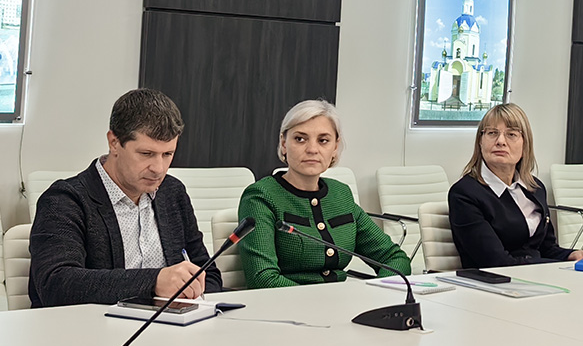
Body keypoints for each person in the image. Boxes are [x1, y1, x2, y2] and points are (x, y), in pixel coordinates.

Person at [29, 89, 221, 308]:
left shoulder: (172, 193)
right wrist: (154, 282)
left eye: (167, 154)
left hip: (170, 324)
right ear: (114, 142)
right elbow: (56, 285)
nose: (158, 168)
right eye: (146, 154)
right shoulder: (65, 200)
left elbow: (209, 275)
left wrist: (193, 294)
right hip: (91, 326)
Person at [237, 100, 410, 288]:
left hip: (344, 300)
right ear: (284, 143)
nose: (312, 149)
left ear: (335, 147)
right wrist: (322, 300)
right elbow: (263, 278)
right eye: (300, 139)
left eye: (323, 140)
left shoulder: (341, 194)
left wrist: (376, 292)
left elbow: (394, 258)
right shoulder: (261, 196)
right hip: (289, 303)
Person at [449, 103, 583, 268]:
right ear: (480, 141)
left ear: (525, 144)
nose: (500, 141)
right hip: (496, 279)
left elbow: (546, 248)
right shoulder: (465, 193)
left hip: (535, 275)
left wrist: (571, 255)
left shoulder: (535, 188)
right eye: (492, 133)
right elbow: (496, 262)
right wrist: (559, 267)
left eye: (511, 134)